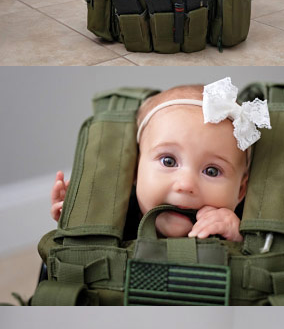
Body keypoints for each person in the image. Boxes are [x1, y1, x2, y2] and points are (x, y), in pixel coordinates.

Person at [50, 77, 270, 242]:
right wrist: (79, 216)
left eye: (212, 171)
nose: (186, 185)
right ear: (134, 170)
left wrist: (238, 237)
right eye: (168, 161)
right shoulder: (117, 217)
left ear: (241, 190)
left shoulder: (237, 230)